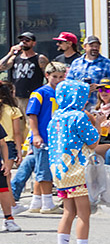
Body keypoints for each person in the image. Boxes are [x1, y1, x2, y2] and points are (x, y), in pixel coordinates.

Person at [45, 79, 104, 244]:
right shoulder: (78, 116)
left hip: (60, 172)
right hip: (78, 170)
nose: (86, 99)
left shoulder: (55, 118)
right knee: (84, 214)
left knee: (68, 212)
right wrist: (99, 123)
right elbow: (93, 141)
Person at [12, 62, 65, 215]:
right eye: (55, 76)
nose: (58, 80)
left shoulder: (62, 92)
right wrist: (35, 134)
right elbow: (32, 115)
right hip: (44, 136)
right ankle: (48, 203)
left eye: (61, 77)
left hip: (56, 137)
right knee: (44, 170)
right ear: (47, 76)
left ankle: (37, 201)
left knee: (41, 167)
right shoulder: (40, 93)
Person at [2, 31, 48, 105]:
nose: (24, 42)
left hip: (32, 96)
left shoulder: (39, 58)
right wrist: (10, 54)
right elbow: (1, 67)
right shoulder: (15, 58)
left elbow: (48, 76)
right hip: (16, 96)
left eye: (27, 40)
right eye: (22, 40)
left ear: (34, 43)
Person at [0, 81, 20, 230]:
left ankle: (9, 218)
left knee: (4, 188)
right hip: (11, 144)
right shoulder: (12, 109)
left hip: (4, 152)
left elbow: (3, 143)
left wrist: (6, 163)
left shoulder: (11, 110)